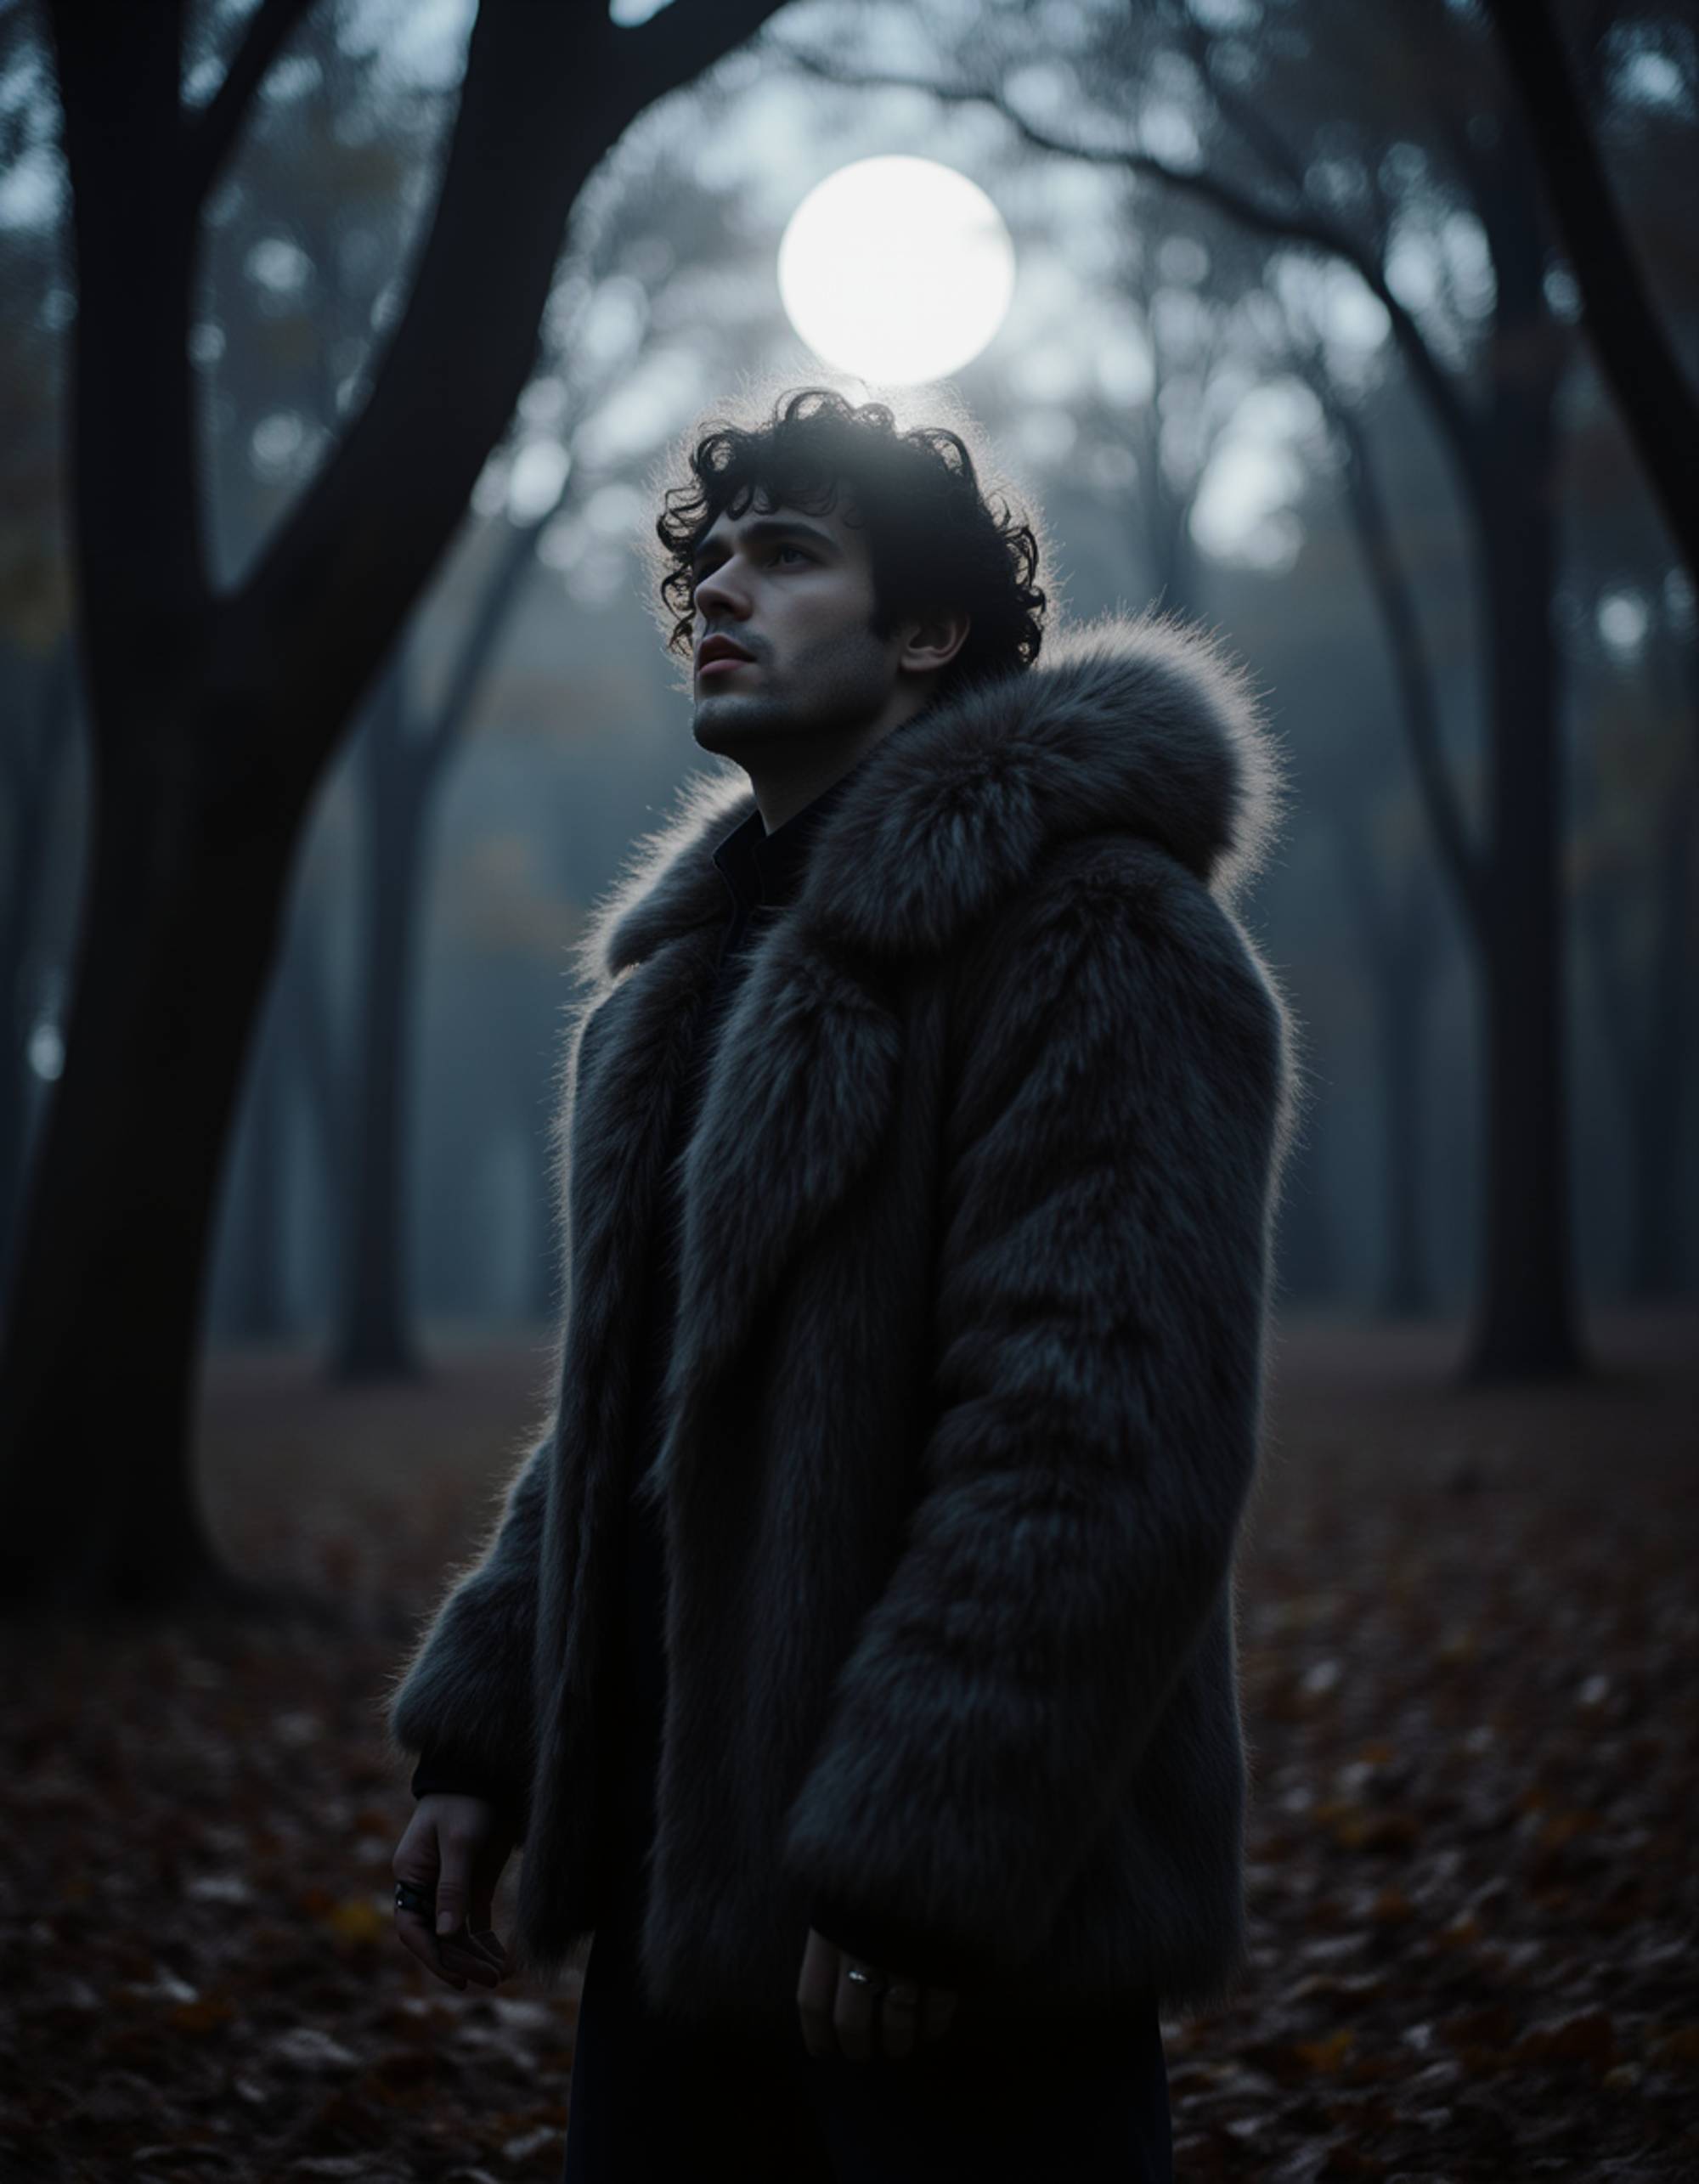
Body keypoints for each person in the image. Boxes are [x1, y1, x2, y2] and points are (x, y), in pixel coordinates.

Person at [385, 384, 1297, 2181]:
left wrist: (921, 1853)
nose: (719, 585)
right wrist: (485, 1722)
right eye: (706, 559)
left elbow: (1095, 1434)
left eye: (787, 553)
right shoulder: (671, 990)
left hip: (952, 1933)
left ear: (930, 629)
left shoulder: (1093, 927)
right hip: (673, 1888)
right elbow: (636, 1400)